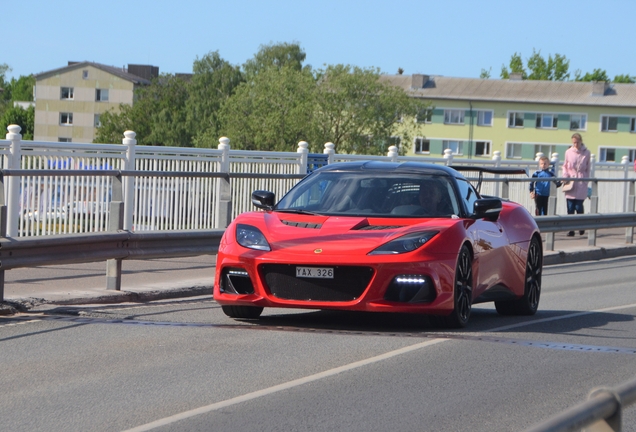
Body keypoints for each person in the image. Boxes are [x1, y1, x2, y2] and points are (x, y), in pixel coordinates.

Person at [562, 132, 591, 236]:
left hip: (581, 181)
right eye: (574, 142)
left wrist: (586, 180)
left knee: (578, 206)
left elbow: (588, 168)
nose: (575, 144)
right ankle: (571, 229)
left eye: (577, 142)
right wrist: (565, 176)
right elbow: (565, 166)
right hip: (571, 180)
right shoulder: (568, 152)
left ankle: (580, 226)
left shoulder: (587, 153)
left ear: (581, 142)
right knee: (570, 207)